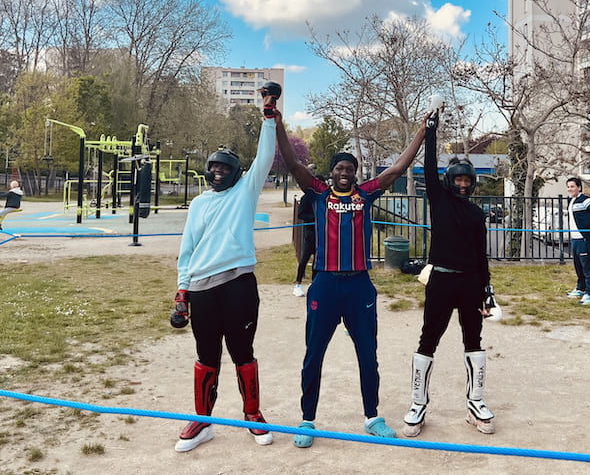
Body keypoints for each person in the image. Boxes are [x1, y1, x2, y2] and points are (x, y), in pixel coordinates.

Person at [276, 117, 428, 448]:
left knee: (367, 353)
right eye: (339, 168)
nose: (344, 173)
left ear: (355, 173)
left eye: (350, 169)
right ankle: (307, 421)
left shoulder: (365, 194)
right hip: (325, 285)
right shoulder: (317, 193)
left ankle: (372, 417)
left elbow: (397, 169)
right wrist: (276, 123)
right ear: (331, 173)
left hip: (359, 286)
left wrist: (421, 133)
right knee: (314, 353)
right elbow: (292, 162)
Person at [170, 82, 281, 453]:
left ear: (235, 171)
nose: (217, 172)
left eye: (224, 167)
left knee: (242, 351)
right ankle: (204, 421)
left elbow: (265, 157)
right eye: (213, 167)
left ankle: (252, 414)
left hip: (238, 285)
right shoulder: (198, 204)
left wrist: (268, 116)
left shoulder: (245, 192)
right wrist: (182, 291)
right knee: (206, 355)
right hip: (201, 288)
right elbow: (187, 251)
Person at [403, 110, 495, 438]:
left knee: (474, 340)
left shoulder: (476, 212)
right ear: (448, 180)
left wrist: (487, 289)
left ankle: (476, 402)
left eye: (467, 180)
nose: (463, 185)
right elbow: (428, 167)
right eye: (458, 179)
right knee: (429, 339)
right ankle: (417, 403)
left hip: (470, 282)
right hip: (440, 280)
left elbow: (481, 254)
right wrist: (430, 131)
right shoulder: (438, 199)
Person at [565, 176, 590, 305]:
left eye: (572, 186)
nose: (570, 189)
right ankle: (580, 288)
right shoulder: (571, 201)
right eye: (568, 187)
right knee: (578, 266)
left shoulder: (585, 200)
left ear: (579, 187)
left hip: (584, 239)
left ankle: (589, 293)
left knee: (587, 267)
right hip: (574, 239)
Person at [293, 193, 316, 297]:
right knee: (304, 259)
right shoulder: (306, 197)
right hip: (310, 233)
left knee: (317, 260)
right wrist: (314, 218)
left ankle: (314, 284)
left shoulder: (323, 197)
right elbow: (301, 214)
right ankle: (298, 284)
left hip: (321, 233)